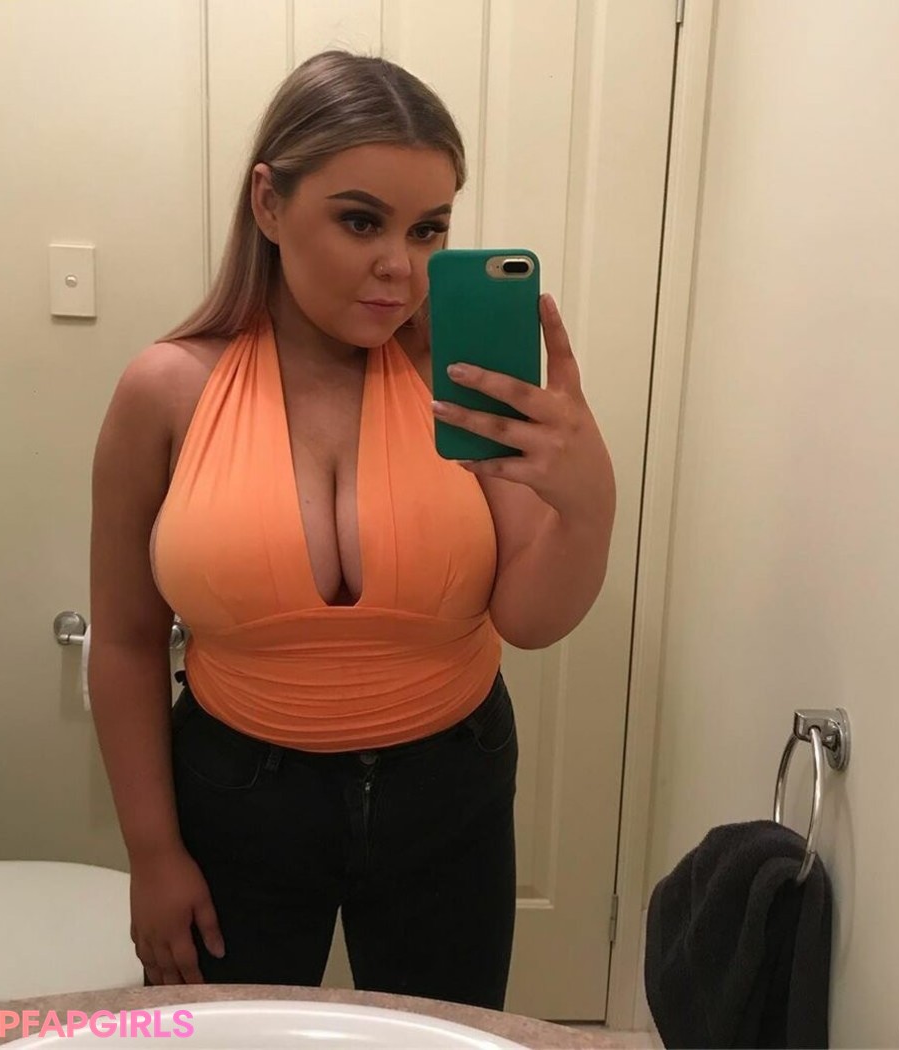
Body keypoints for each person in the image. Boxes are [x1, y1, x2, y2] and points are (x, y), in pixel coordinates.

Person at [88, 49, 615, 1011]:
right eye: (361, 220)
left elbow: (532, 619)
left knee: (441, 1035)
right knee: (236, 1037)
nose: (400, 267)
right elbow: (124, 639)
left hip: (449, 788)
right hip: (236, 791)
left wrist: (589, 503)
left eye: (428, 228)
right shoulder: (166, 390)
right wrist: (152, 851)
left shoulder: (463, 383)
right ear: (269, 202)